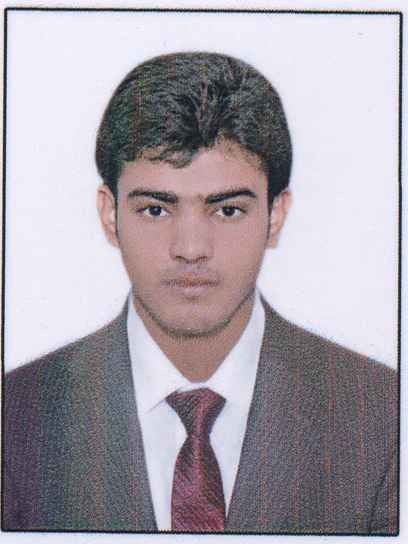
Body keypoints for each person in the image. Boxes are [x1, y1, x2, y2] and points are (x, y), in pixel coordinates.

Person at [3, 52, 397, 534]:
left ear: (275, 216)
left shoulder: (383, 418)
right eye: (155, 209)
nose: (191, 249)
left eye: (227, 210)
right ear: (109, 215)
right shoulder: (15, 418)